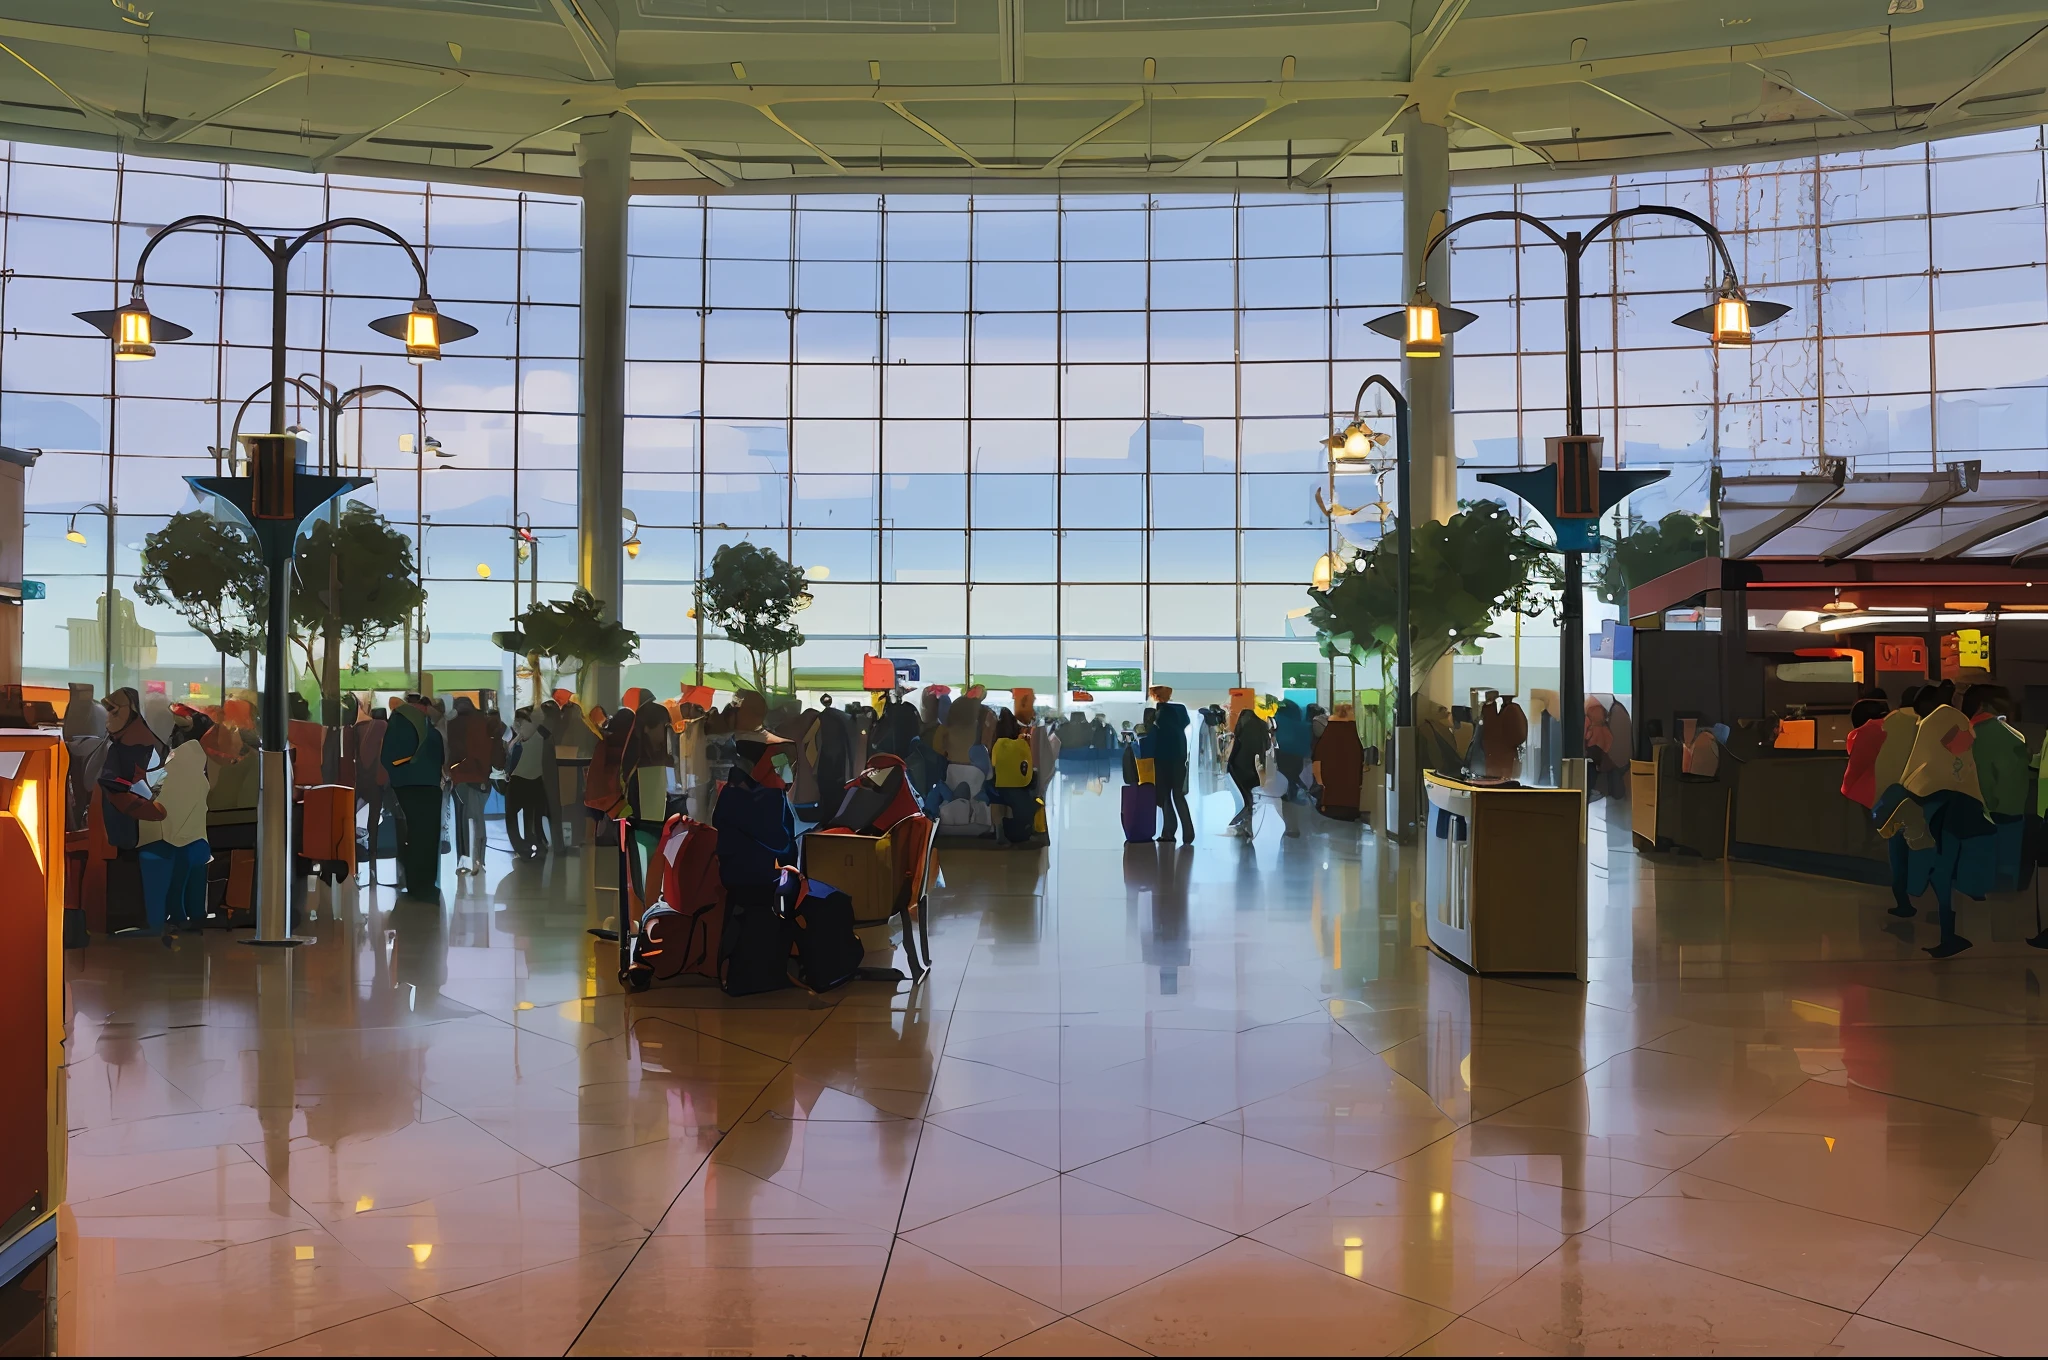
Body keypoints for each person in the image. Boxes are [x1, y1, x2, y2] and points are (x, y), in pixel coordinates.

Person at [381, 694, 446, 899]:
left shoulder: (397, 721)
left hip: (406, 786)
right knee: (428, 835)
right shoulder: (424, 724)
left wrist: (398, 778)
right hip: (428, 785)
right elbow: (438, 754)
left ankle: (415, 883)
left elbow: (387, 757)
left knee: (415, 834)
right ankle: (425, 883)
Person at [445, 695, 493, 877]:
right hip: (479, 777)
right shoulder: (482, 721)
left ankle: (465, 860)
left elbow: (453, 750)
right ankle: (479, 860)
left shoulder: (455, 723)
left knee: (462, 821)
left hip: (461, 777)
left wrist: (450, 770)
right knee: (477, 820)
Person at [1148, 685, 1194, 846]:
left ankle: (1168, 832)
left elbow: (1154, 736)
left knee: (1166, 796)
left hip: (1163, 759)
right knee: (1179, 796)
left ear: (1156, 696)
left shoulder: (1160, 714)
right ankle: (1188, 834)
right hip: (1179, 759)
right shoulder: (1180, 713)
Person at [503, 706, 549, 857]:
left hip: (518, 779)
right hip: (536, 780)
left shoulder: (521, 735)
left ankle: (521, 847)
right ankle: (534, 843)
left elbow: (510, 754)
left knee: (511, 816)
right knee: (530, 815)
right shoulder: (543, 735)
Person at [991, 709, 1037, 847]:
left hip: (1000, 785)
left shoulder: (997, 745)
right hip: (1019, 785)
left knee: (998, 802)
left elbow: (994, 763)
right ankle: (1028, 831)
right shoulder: (1021, 744)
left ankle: (1001, 833)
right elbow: (1028, 765)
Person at [1227, 705, 1268, 835]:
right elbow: (1266, 745)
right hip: (1255, 766)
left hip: (1239, 767)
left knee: (1243, 796)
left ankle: (1242, 821)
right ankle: (1246, 823)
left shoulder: (1242, 729)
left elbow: (1234, 750)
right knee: (1250, 796)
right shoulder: (1262, 726)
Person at [1273, 699, 1311, 798]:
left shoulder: (1279, 719)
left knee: (1286, 773)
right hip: (1297, 753)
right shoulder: (1301, 725)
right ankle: (1293, 789)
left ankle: (1290, 790)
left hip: (1283, 751)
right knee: (1293, 774)